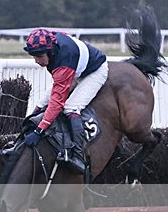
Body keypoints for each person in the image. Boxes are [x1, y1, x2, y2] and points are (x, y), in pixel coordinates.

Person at [22, 29, 108, 175]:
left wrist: (39, 131)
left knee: (70, 108)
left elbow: (56, 104)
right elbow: (62, 32)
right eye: (33, 56)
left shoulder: (63, 65)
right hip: (75, 67)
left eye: (39, 56)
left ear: (50, 51)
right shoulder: (51, 38)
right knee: (41, 103)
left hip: (94, 71)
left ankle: (78, 156)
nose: (36, 61)